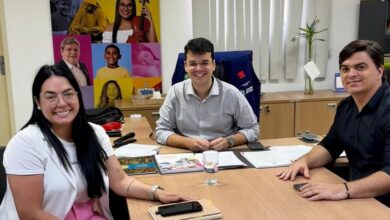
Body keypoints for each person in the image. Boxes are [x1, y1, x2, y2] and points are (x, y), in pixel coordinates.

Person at [0, 65, 187, 219]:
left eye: (68, 94)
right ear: (38, 103)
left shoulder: (95, 133)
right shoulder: (25, 144)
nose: (62, 103)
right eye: (50, 97)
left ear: (77, 96)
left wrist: (156, 193)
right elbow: (30, 214)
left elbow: (120, 181)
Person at [277, 40, 390, 207]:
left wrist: (343, 189)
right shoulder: (346, 106)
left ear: (379, 71)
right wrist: (305, 160)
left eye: (360, 67)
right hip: (359, 196)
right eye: (345, 69)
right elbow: (330, 146)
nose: (351, 74)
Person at [155, 37, 259, 152]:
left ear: (213, 65)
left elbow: (253, 129)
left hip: (223, 153)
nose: (199, 69)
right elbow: (161, 131)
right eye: (193, 64)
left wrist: (229, 141)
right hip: (186, 153)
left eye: (205, 63)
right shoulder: (175, 92)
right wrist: (187, 142)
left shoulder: (232, 94)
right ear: (185, 66)